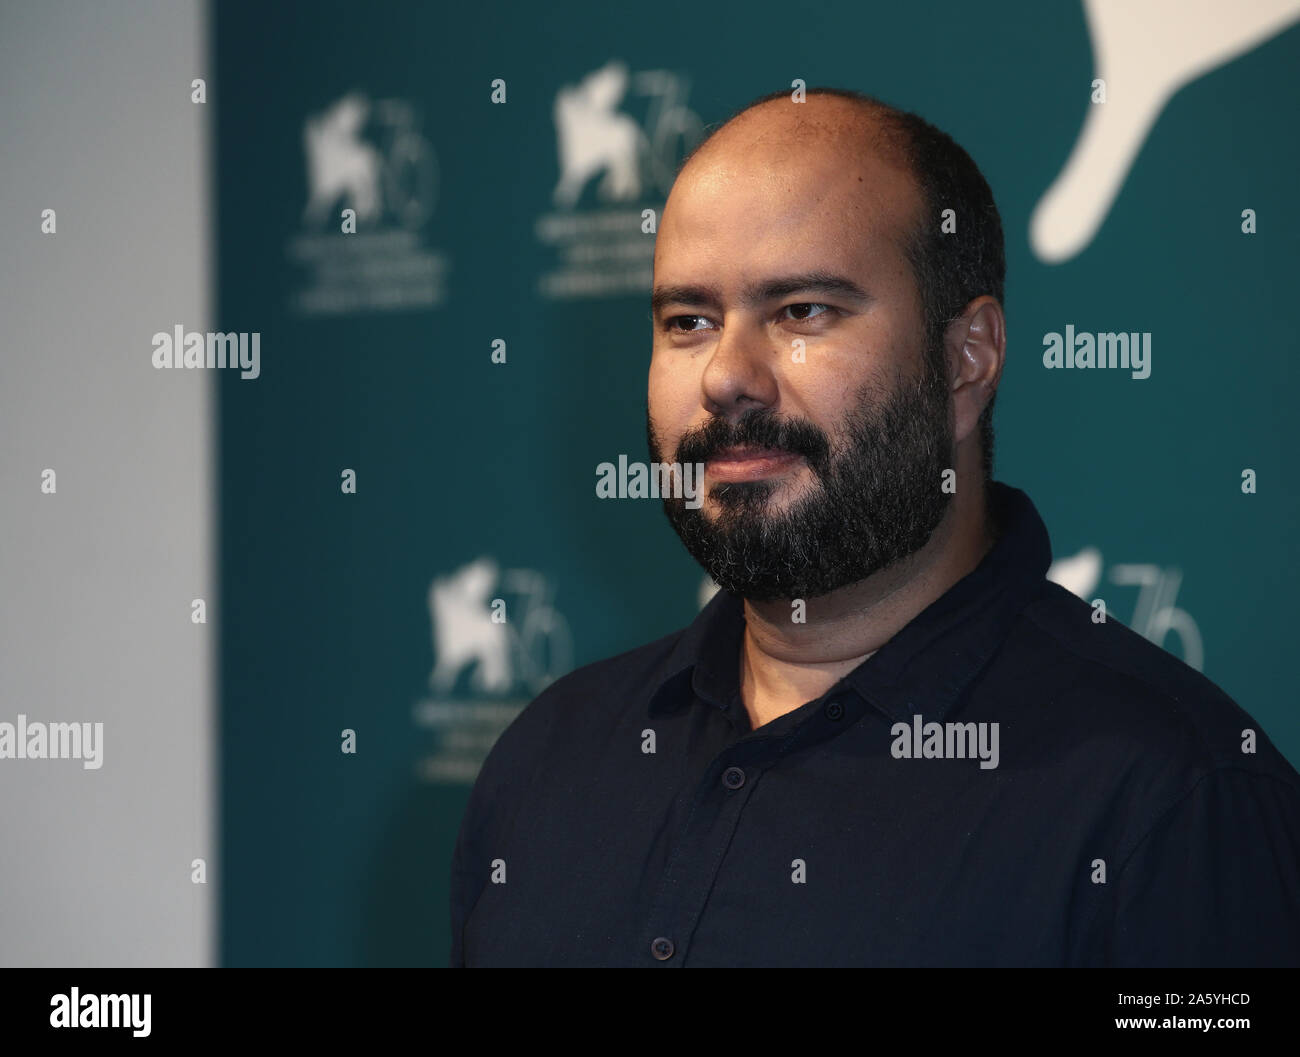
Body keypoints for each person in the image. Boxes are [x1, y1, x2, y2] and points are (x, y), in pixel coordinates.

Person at [449, 88, 1300, 967]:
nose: (727, 377)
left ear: (967, 357)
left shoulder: (1175, 804)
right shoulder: (546, 763)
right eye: (689, 322)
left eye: (803, 311)